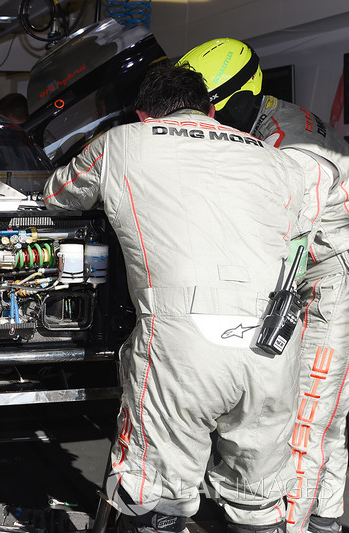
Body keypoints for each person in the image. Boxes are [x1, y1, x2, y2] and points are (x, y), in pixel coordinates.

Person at [43, 62, 326, 533]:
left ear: (142, 114)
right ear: (212, 109)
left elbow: (59, 195)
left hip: (182, 344)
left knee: (156, 495)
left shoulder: (121, 143)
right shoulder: (277, 158)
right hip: (275, 343)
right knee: (258, 497)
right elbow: (303, 223)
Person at [179, 38, 349, 533]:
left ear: (239, 93)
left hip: (330, 278)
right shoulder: (257, 120)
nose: (203, 117)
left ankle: (295, 523)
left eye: (208, 105)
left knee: (307, 417)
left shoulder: (294, 148)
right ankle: (325, 517)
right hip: (304, 268)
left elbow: (274, 235)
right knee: (328, 418)